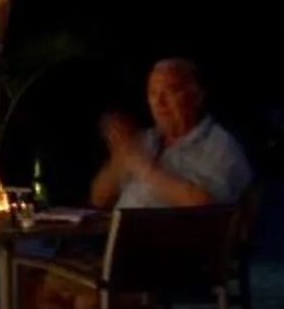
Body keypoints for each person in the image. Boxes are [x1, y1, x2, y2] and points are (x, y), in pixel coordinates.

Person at [94, 59, 254, 210]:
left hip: (173, 237)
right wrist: (121, 153)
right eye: (153, 93)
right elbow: (99, 199)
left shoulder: (220, 144)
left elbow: (208, 208)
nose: (159, 102)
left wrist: (143, 168)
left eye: (170, 91)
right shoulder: (146, 139)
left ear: (197, 97)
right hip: (121, 234)